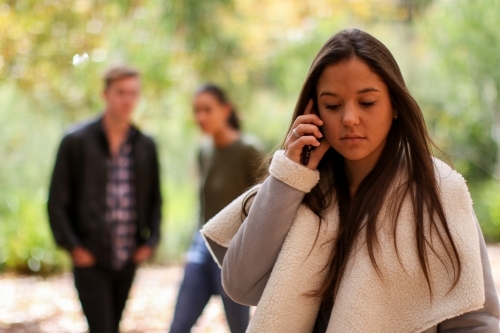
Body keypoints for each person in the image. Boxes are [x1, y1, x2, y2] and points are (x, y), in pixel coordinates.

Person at [200, 29, 500, 332]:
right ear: (314, 110)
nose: (349, 119)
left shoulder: (439, 190)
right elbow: (239, 283)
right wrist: (288, 178)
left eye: (367, 102)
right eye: (332, 105)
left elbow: (475, 320)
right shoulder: (299, 189)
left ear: (395, 104)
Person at [47, 65, 162, 333]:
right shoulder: (76, 141)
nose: (127, 100)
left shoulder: (145, 145)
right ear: (105, 94)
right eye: (120, 92)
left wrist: (151, 240)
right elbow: (56, 202)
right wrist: (73, 247)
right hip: (90, 256)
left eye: (133, 93)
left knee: (112, 326)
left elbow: (155, 199)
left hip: (127, 256)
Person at [169, 84, 263, 333]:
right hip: (202, 250)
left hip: (234, 255)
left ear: (225, 110)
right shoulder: (203, 150)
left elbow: (265, 206)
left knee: (239, 329)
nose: (201, 117)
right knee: (178, 326)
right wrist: (191, 248)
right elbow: (203, 208)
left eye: (207, 109)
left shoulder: (248, 150)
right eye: (197, 110)